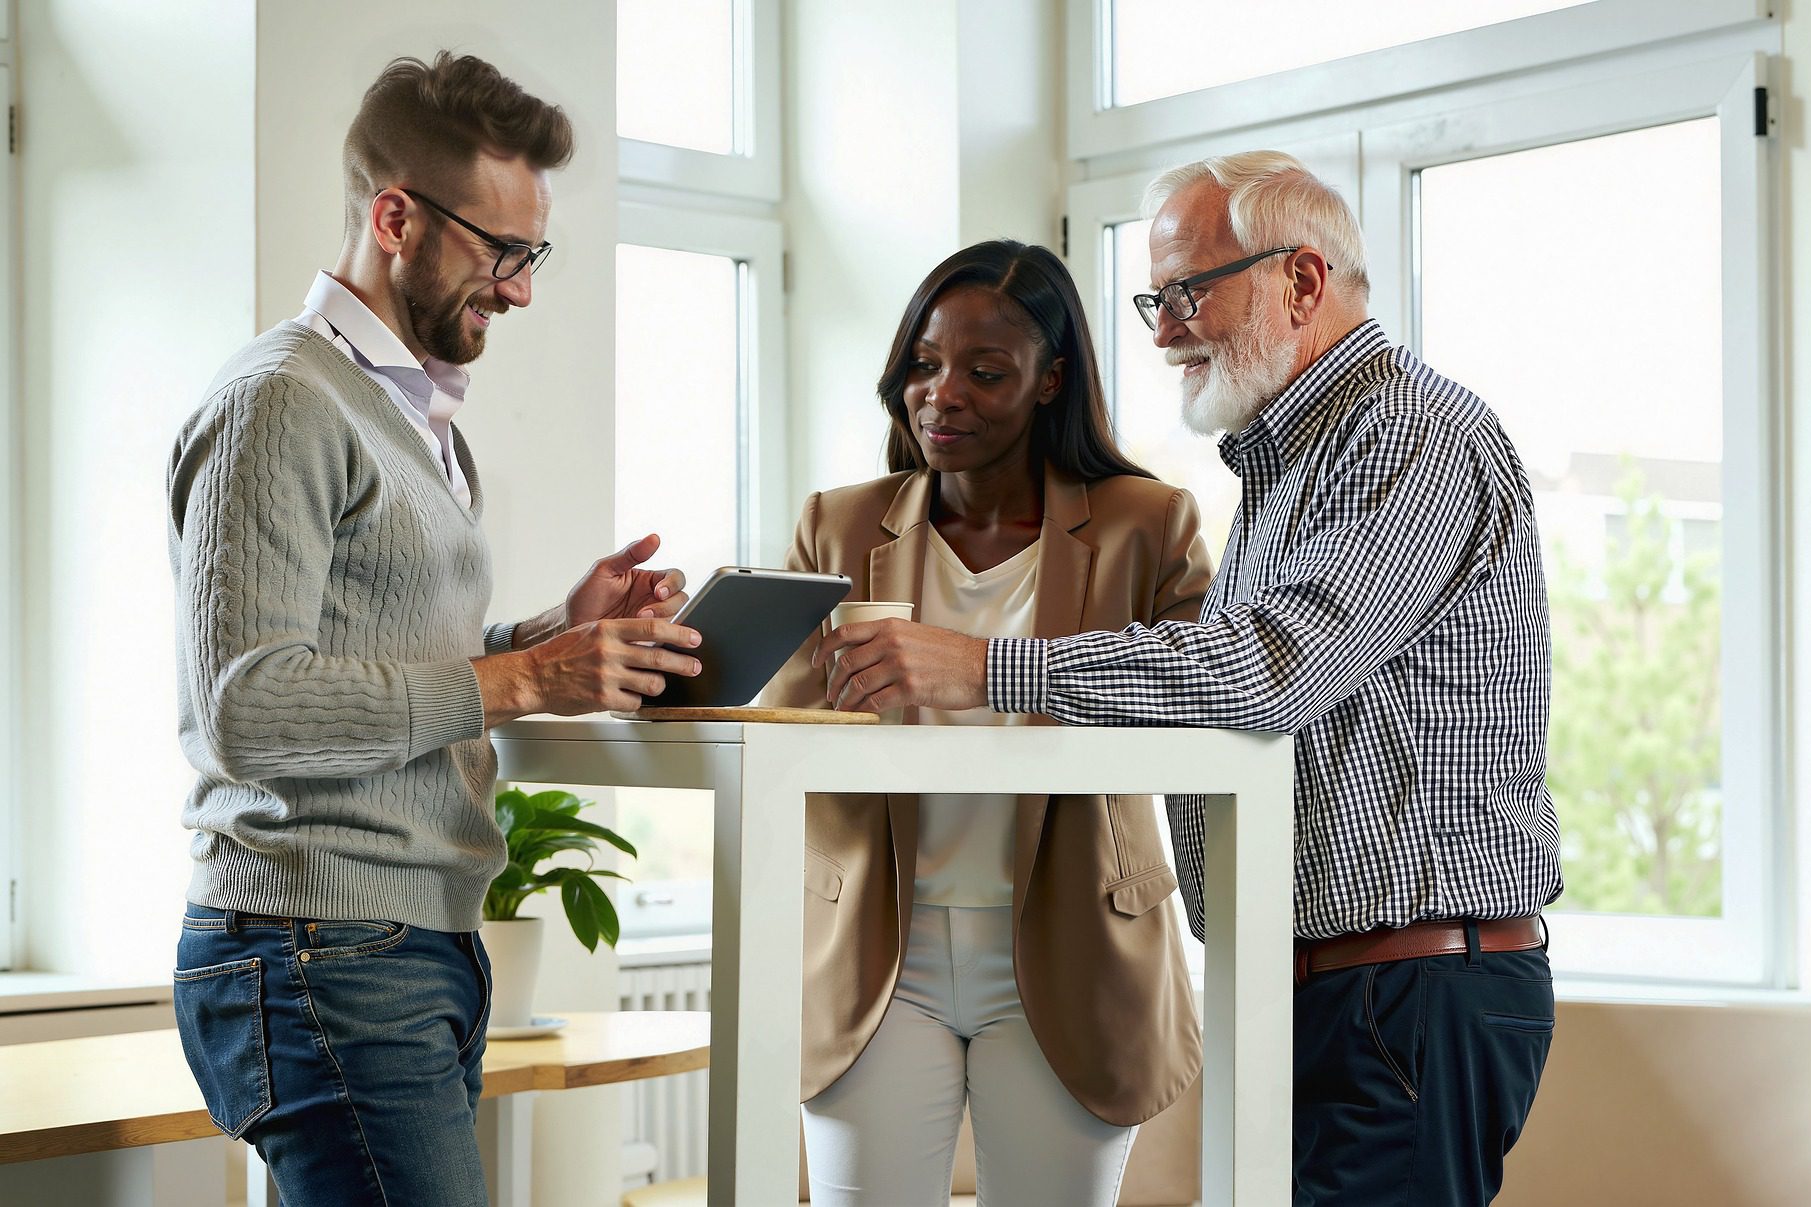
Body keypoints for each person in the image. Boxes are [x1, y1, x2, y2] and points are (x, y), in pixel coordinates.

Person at [819, 152, 1564, 1205]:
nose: (1164, 331)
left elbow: (1266, 668)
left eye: (1187, 294)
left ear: (1302, 281)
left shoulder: (1410, 433)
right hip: (1332, 985)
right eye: (1153, 299)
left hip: (1409, 987)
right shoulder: (1286, 461)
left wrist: (986, 664)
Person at [166, 53, 702, 1206]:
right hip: (321, 944)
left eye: (529, 256)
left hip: (403, 944)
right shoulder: (282, 402)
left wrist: (552, 630)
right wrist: (521, 676)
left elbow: (380, 651)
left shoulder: (411, 421)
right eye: (501, 253)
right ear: (396, 216)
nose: (518, 289)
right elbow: (246, 708)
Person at [762, 240, 1213, 1206]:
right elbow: (774, 726)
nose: (942, 393)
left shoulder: (1147, 524)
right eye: (923, 365)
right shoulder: (837, 526)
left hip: (1074, 943)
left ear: (1052, 380)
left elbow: (1201, 695)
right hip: (878, 948)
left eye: (985, 371)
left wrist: (987, 677)